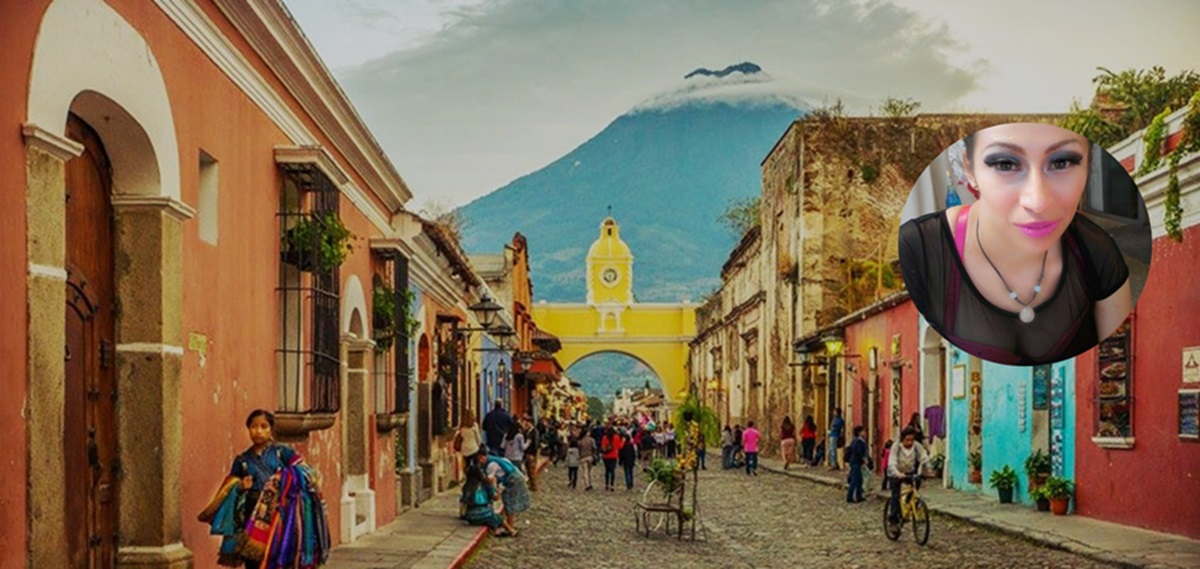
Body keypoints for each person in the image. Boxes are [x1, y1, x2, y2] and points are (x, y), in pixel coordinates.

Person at [899, 123, 1132, 365]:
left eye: (1061, 162)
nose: (1038, 201)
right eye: (1005, 164)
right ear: (969, 168)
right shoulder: (920, 251)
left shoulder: (1097, 251)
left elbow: (1115, 362)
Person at [200, 409, 330, 568]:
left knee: (278, 555)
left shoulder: (283, 453)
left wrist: (284, 478)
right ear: (248, 429)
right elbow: (228, 488)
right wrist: (239, 487)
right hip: (251, 514)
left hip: (279, 514)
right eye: (253, 427)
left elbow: (307, 472)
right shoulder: (243, 460)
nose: (258, 431)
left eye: (264, 426)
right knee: (254, 559)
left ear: (271, 430)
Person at [463, 452, 518, 537]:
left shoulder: (466, 487)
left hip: (469, 517)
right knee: (496, 517)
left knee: (489, 515)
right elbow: (495, 498)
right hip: (482, 515)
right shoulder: (485, 485)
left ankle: (496, 530)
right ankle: (511, 530)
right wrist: (499, 491)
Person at [887, 427, 930, 524]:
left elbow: (924, 457)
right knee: (896, 496)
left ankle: (909, 503)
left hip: (910, 472)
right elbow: (891, 462)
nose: (910, 443)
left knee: (916, 483)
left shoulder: (916, 446)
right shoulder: (896, 447)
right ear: (902, 439)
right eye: (907, 440)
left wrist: (927, 469)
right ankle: (893, 519)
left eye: (912, 440)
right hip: (896, 473)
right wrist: (897, 473)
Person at [485, 454, 531, 529]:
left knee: (508, 501)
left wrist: (496, 491)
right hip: (518, 476)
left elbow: (490, 479)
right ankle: (511, 523)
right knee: (511, 501)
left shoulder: (491, 465)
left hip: (511, 480)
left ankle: (510, 525)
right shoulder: (501, 460)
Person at [845, 425, 871, 503]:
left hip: (855, 462)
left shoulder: (855, 441)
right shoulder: (859, 442)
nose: (865, 433)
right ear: (859, 433)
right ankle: (850, 496)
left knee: (859, 480)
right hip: (856, 462)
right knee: (855, 480)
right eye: (863, 431)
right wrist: (863, 461)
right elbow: (859, 453)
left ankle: (858, 496)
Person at [601, 426, 622, 491]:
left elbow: (602, 447)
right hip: (614, 456)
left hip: (606, 456)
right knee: (612, 471)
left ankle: (606, 484)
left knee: (607, 471)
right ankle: (612, 485)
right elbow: (620, 447)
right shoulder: (617, 438)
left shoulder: (604, 438)